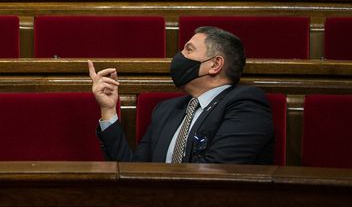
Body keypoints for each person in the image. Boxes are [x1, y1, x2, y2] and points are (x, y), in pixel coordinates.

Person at [88, 26, 274, 164]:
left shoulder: (246, 104)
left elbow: (218, 173)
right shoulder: (166, 110)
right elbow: (135, 170)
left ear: (215, 64)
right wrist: (109, 110)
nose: (179, 56)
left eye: (189, 49)